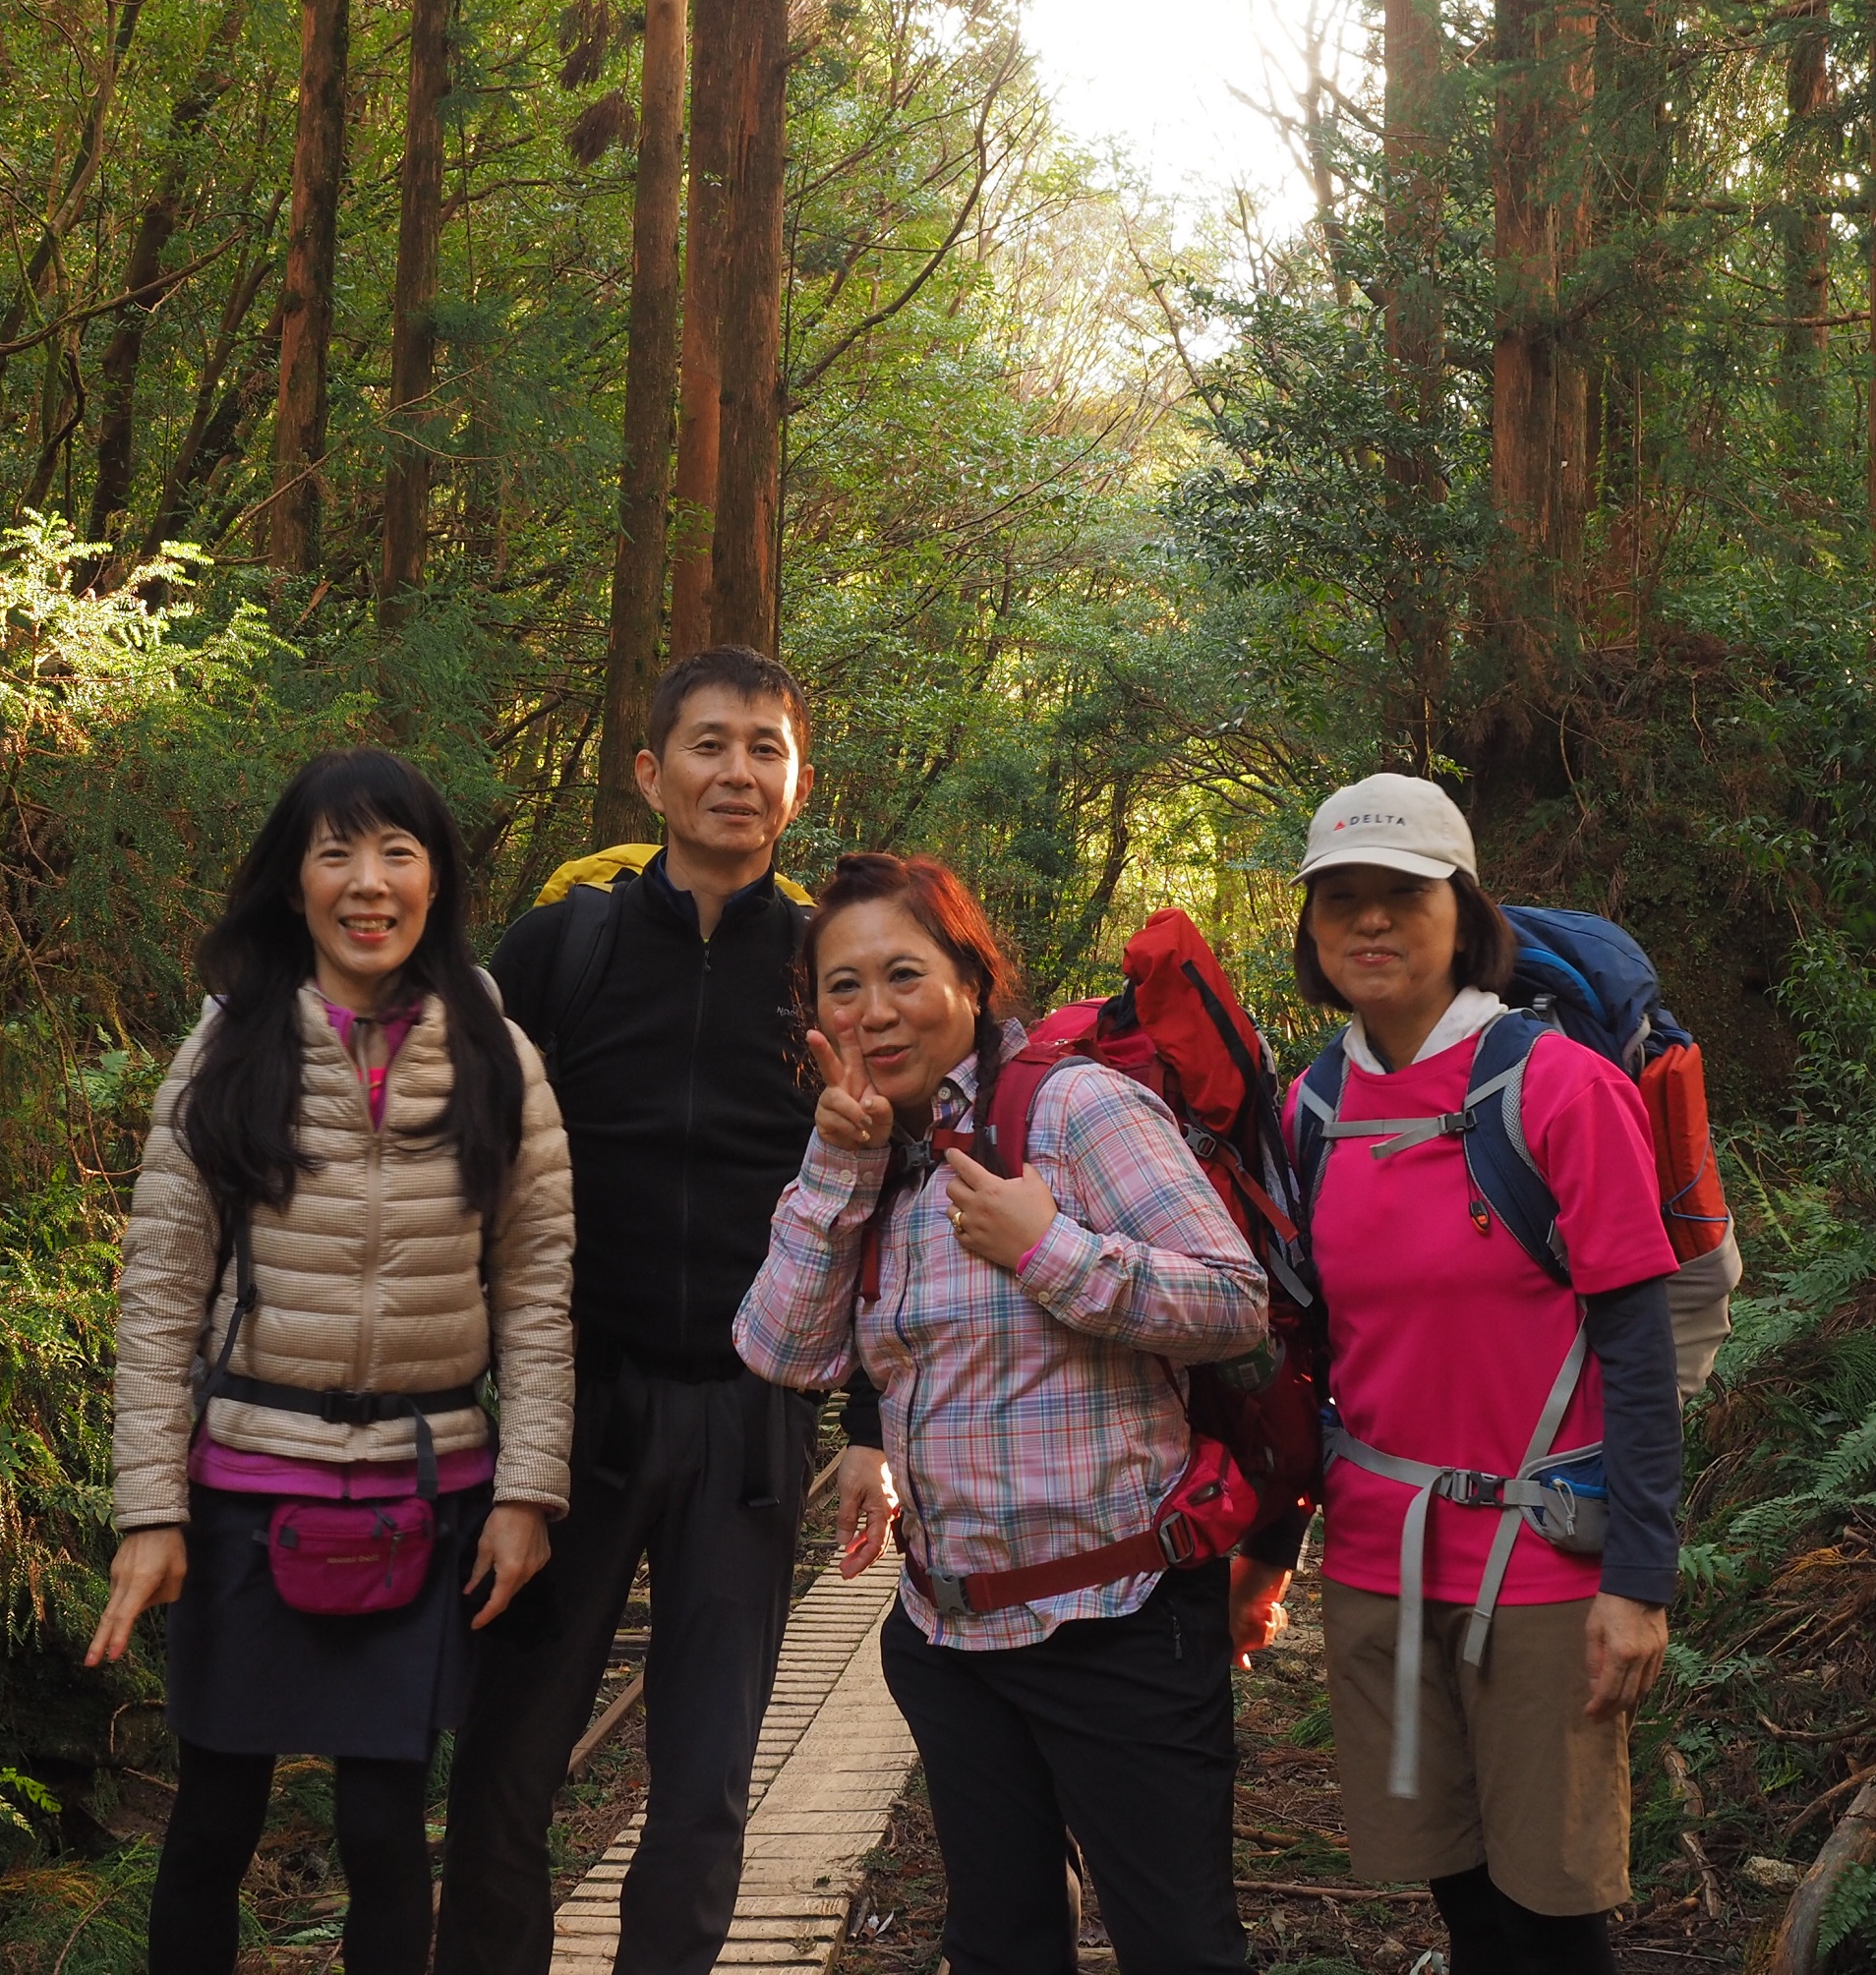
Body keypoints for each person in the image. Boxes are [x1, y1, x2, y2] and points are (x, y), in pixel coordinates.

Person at [86, 748, 577, 1975]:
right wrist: (150, 1511)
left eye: (397, 852)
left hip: (426, 1491)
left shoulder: (494, 1053)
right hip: (247, 1484)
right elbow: (158, 1294)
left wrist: (528, 1493)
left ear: (437, 878)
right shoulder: (230, 1045)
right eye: (336, 851)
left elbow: (535, 1294)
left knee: (383, 1831)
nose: (369, 883)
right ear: (293, 878)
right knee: (211, 1821)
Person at [735, 852, 1270, 1975]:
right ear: (812, 1011)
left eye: (903, 974)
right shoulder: (868, 1150)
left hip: (1120, 1620)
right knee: (1000, 1947)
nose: (874, 1012)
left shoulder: (1075, 1108)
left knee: (1179, 1949)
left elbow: (1234, 1302)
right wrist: (837, 1162)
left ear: (972, 980)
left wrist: (1049, 1251)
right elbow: (785, 1353)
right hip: (949, 1637)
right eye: (842, 986)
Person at [437, 645, 857, 1975]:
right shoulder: (565, 942)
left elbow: (890, 1191)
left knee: (708, 1766)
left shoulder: (829, 966)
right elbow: (465, 1152)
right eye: (710, 743)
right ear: (650, 772)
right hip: (577, 1399)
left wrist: (884, 1419)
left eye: (765, 749)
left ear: (797, 783)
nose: (738, 770)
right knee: (509, 1751)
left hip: (756, 1408)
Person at [1286, 773, 1680, 1975]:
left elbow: (1637, 1349)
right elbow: (1310, 1344)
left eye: (1402, 895)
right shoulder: (1309, 1103)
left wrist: (1640, 1579)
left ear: (1463, 909)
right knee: (1457, 1891)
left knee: (1554, 1913)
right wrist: (1267, 1553)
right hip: (1376, 1557)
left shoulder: (1560, 1089)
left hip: (1547, 1567)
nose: (1370, 922)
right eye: (1340, 898)